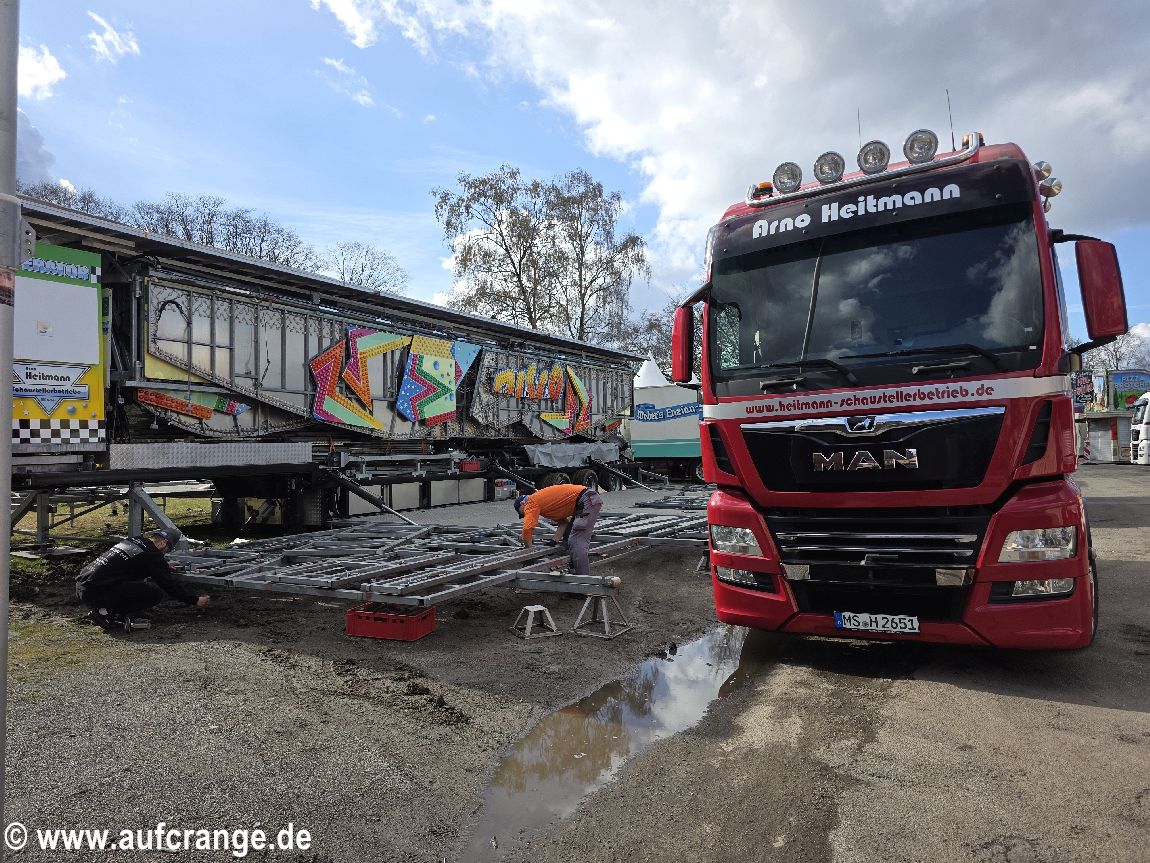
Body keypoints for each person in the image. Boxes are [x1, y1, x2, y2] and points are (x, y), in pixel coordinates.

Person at [76, 528, 210, 632]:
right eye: (167, 550)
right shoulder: (153, 554)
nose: (164, 554)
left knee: (135, 585)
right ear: (163, 543)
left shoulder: (136, 541)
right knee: (154, 593)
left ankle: (108, 610)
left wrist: (162, 565)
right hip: (97, 592)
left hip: (83, 585)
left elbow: (135, 564)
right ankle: (105, 613)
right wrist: (194, 600)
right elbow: (168, 585)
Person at [514, 484, 604, 575]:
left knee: (576, 541)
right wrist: (553, 541)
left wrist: (529, 550)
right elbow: (563, 523)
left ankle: (583, 577)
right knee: (568, 538)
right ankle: (574, 566)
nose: (525, 514)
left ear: (522, 503)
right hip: (586, 500)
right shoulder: (544, 505)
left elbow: (527, 529)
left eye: (523, 512)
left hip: (586, 500)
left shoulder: (531, 502)